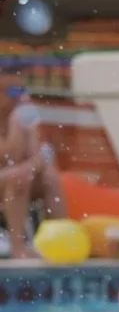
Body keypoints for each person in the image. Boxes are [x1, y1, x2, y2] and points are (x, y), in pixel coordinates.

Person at [0, 75, 67, 258]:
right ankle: (17, 246)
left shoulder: (21, 123)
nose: (20, 97)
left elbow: (40, 156)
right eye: (14, 91)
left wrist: (28, 168)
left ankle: (60, 239)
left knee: (49, 180)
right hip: (8, 181)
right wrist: (17, 171)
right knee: (18, 178)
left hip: (15, 182)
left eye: (22, 91)